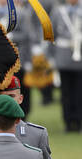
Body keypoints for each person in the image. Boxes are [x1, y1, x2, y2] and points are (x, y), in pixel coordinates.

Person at [50, 0, 82, 132]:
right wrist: (51, 57)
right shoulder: (58, 12)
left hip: (79, 56)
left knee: (79, 92)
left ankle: (79, 121)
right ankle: (68, 121)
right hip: (63, 56)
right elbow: (51, 35)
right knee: (66, 92)